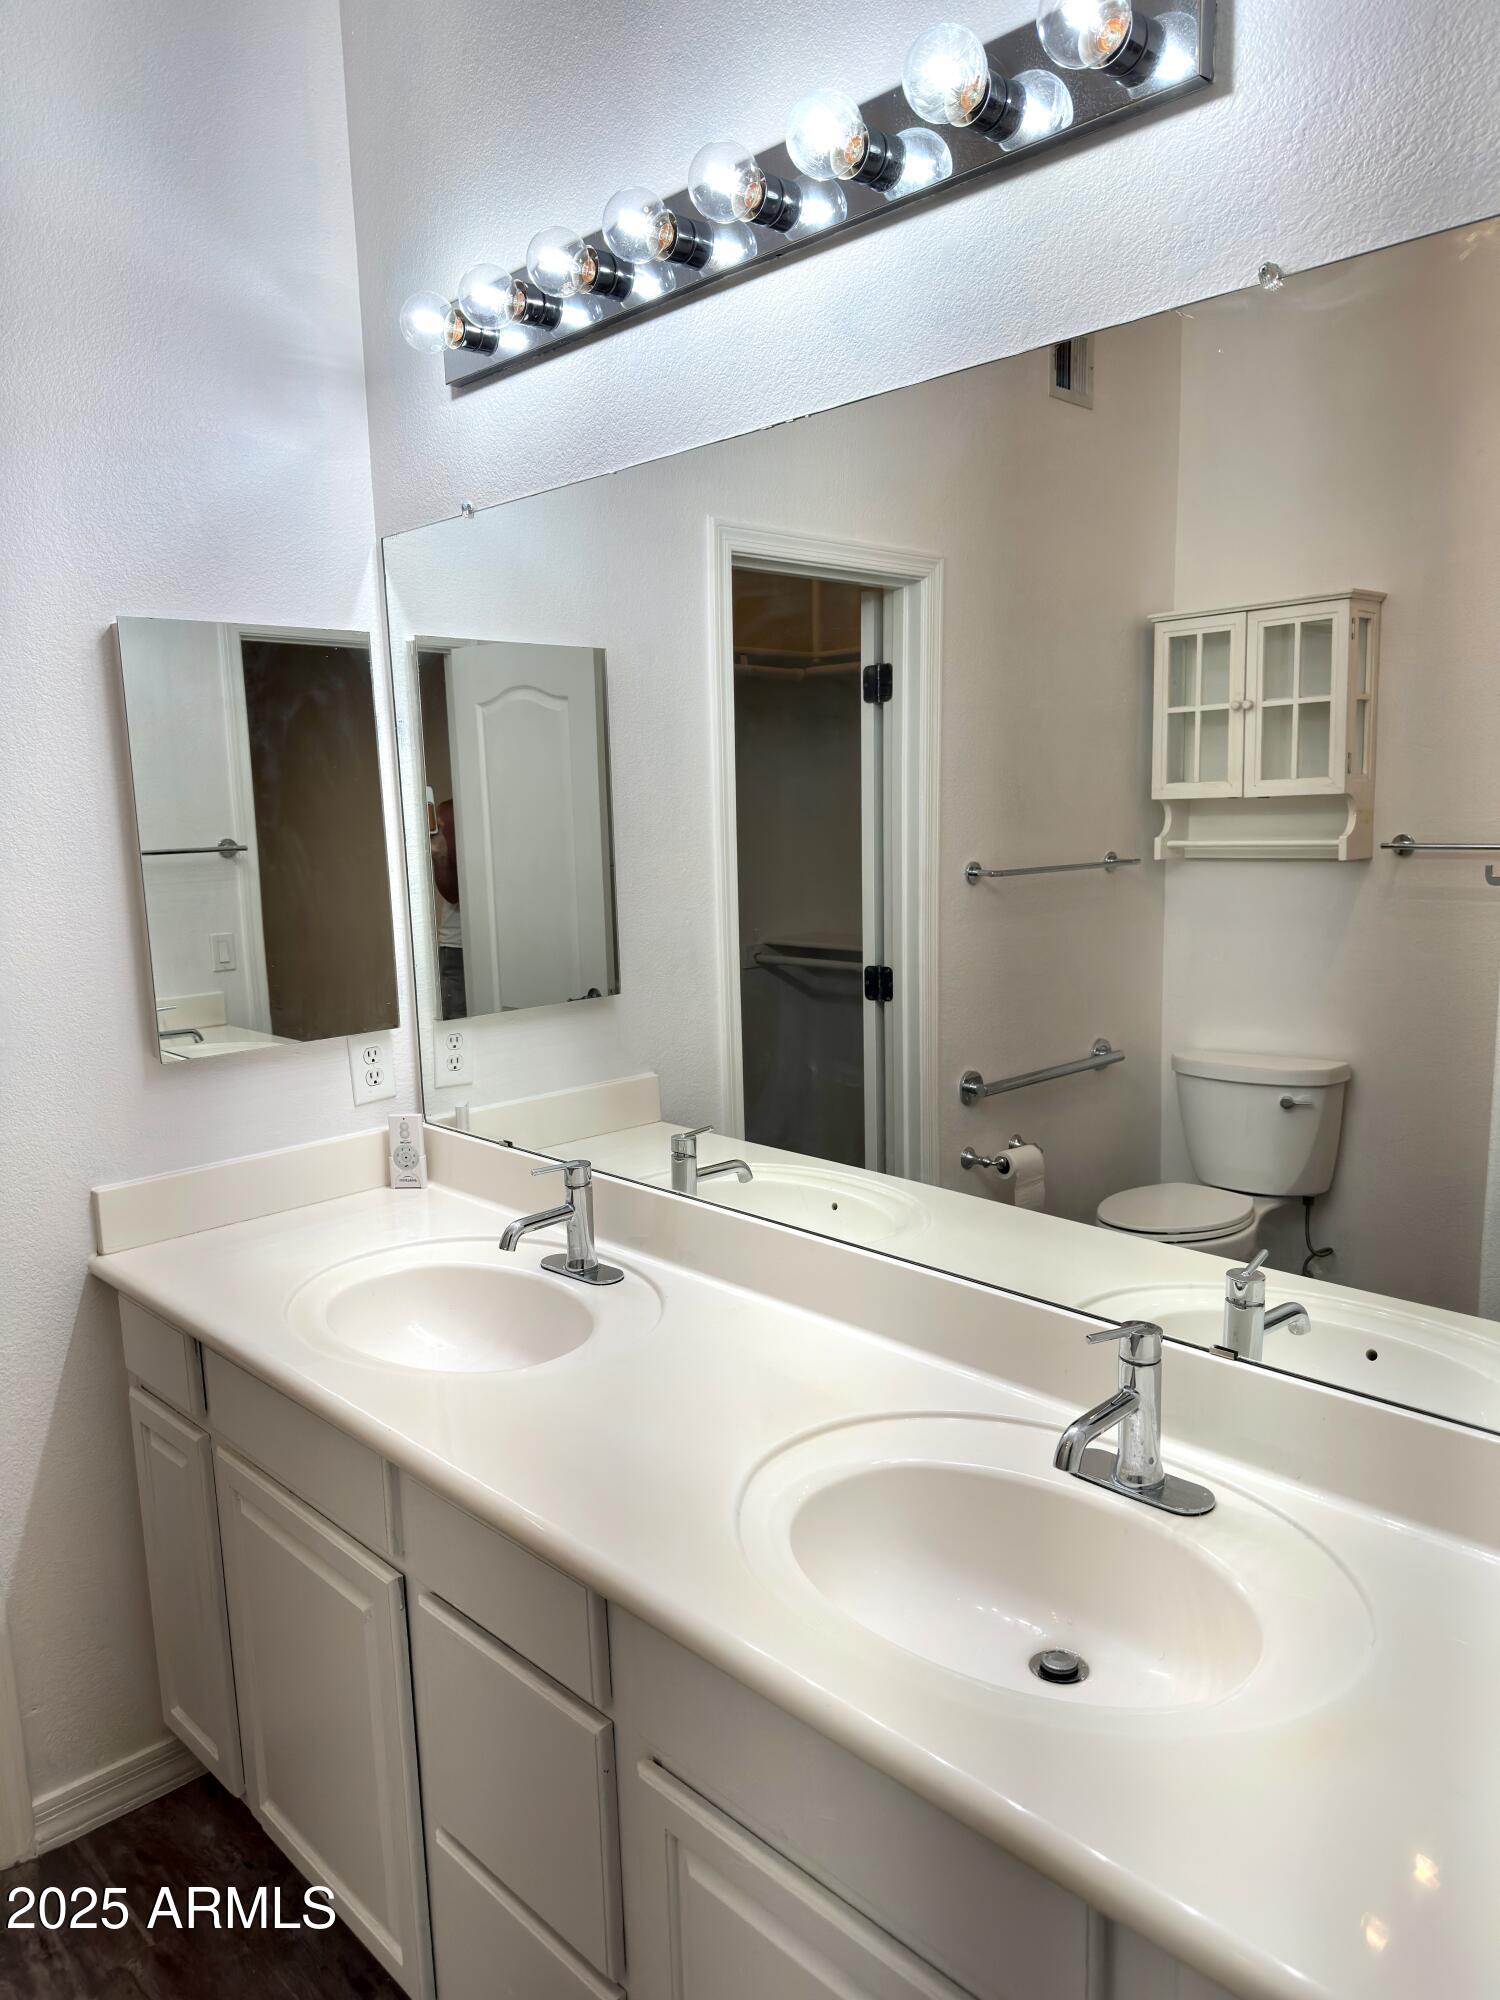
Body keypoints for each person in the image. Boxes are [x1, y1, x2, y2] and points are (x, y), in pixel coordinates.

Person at [430, 798, 466, 1019]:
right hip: (457, 947)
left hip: (460, 948)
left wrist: (440, 855)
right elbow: (453, 893)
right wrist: (441, 854)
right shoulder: (450, 810)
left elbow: (452, 892)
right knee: (459, 1032)